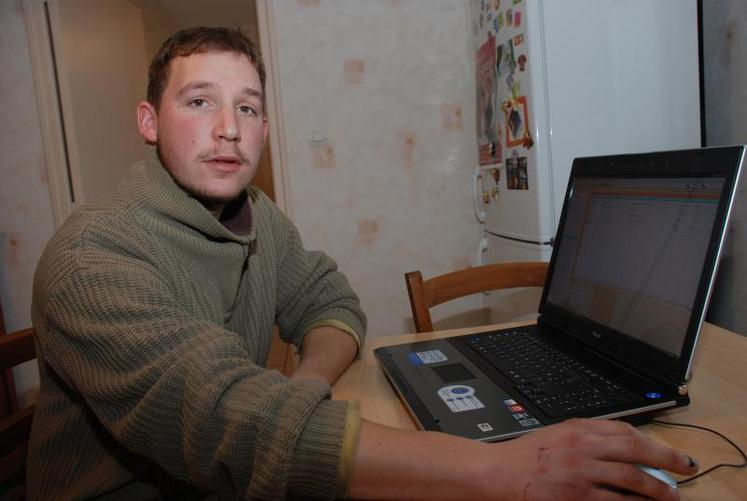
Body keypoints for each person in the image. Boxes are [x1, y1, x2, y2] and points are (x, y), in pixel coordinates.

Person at [29, 27, 698, 500]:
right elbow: (221, 413)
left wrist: (304, 384)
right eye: (198, 101)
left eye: (248, 107)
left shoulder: (257, 216)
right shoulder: (92, 258)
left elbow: (332, 304)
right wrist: (499, 472)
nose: (227, 128)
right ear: (148, 121)